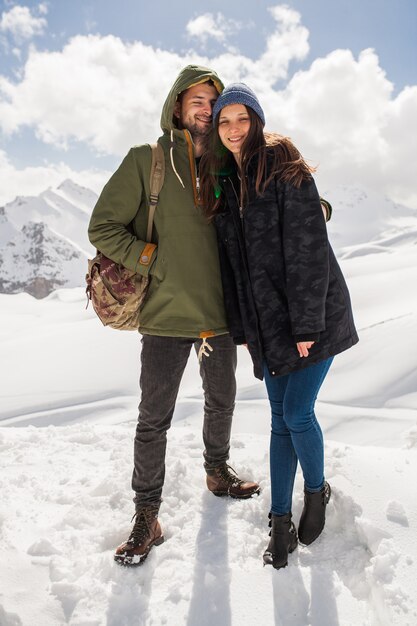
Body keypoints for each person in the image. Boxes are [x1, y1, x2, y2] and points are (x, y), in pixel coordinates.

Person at [88, 67, 260, 567]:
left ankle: (216, 471)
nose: (206, 110)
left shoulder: (231, 164)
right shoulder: (148, 161)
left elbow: (269, 204)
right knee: (153, 421)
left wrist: (310, 207)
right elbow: (102, 226)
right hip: (163, 317)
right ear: (178, 106)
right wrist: (153, 259)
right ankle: (147, 514)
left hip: (220, 316)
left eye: (214, 101)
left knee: (222, 402)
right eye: (197, 101)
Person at [199, 83, 359, 569]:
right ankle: (280, 518)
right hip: (267, 329)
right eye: (224, 122)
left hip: (314, 319)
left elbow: (309, 251)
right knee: (277, 420)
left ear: (258, 121)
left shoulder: (286, 171)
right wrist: (244, 328)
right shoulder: (226, 183)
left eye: (242, 119)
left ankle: (316, 493)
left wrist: (307, 323)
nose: (232, 130)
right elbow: (233, 269)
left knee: (296, 414)